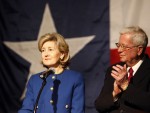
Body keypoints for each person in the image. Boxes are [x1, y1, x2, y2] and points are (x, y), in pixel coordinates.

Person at [18, 33, 85, 113]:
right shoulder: (34, 80)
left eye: (50, 49)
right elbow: (26, 109)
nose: (45, 54)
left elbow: (78, 111)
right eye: (43, 50)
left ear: (62, 54)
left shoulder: (75, 78)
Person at [95, 26, 150, 113]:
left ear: (139, 50)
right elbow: (99, 105)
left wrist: (126, 86)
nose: (119, 50)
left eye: (124, 46)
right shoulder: (114, 70)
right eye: (119, 45)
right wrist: (114, 94)